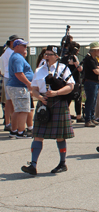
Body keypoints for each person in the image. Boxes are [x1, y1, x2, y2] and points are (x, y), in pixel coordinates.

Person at [21, 45, 75, 175]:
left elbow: (71, 86)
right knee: (38, 135)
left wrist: (56, 93)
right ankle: (33, 165)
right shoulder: (39, 70)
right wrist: (39, 97)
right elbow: (33, 88)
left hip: (58, 103)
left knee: (60, 137)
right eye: (46, 53)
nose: (47, 56)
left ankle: (62, 163)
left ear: (56, 56)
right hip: (43, 103)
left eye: (50, 54)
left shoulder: (64, 68)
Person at [7, 39, 34, 139]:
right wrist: (28, 83)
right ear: (17, 46)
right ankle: (21, 132)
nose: (26, 47)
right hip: (19, 87)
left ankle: (14, 131)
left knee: (18, 110)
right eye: (24, 46)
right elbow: (19, 73)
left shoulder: (16, 56)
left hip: (15, 87)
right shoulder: (18, 58)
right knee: (23, 110)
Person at [0, 35, 21, 133]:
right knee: (11, 102)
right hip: (10, 78)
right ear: (12, 42)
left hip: (6, 77)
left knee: (8, 101)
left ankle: (9, 122)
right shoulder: (11, 53)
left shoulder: (6, 53)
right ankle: (12, 123)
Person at [82, 42, 99, 127]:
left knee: (93, 101)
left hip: (95, 82)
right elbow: (96, 71)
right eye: (98, 50)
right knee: (90, 101)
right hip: (90, 82)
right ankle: (88, 119)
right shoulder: (89, 59)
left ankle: (92, 117)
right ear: (94, 50)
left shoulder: (94, 59)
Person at [62, 42, 84, 123]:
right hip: (74, 80)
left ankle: (66, 116)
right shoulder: (73, 57)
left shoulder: (64, 57)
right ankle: (78, 116)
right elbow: (79, 69)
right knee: (77, 99)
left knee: (67, 99)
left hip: (66, 81)